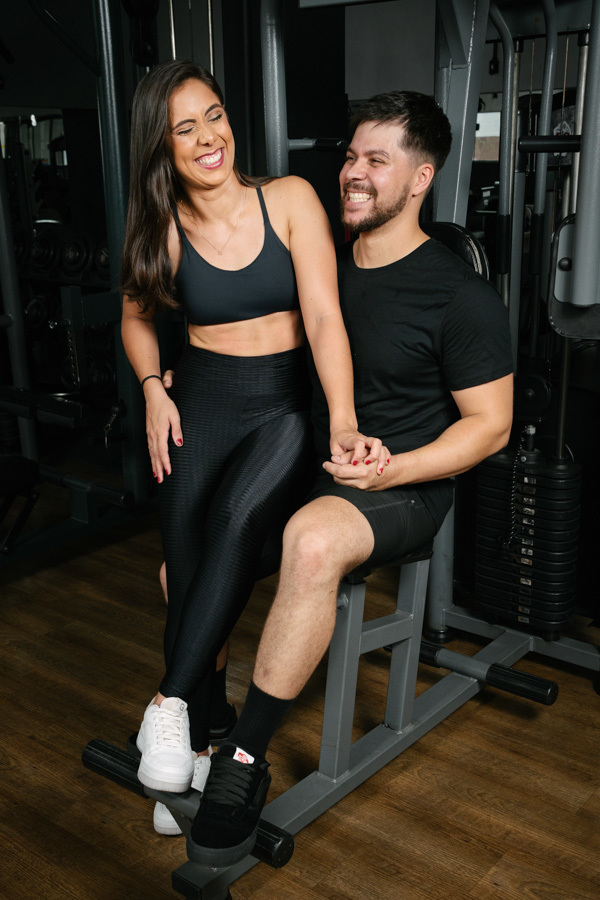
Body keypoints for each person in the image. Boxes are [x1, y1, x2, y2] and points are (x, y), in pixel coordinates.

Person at [184, 90, 514, 868]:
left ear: (421, 177)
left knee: (309, 539)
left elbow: (490, 427)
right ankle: (208, 727)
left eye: (377, 161)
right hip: (301, 454)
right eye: (351, 156)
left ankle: (242, 765)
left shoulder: (458, 294)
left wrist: (392, 468)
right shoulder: (315, 249)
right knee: (185, 555)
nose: (354, 173)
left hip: (397, 482)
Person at [120, 60, 385, 837]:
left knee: (238, 520)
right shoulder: (162, 228)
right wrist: (151, 389)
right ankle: (201, 744)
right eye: (185, 128)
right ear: (161, 148)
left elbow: (327, 319)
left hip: (281, 404)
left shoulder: (292, 201)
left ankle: (165, 703)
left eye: (214, 115)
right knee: (184, 568)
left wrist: (340, 417)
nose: (209, 137)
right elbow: (137, 319)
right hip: (199, 399)